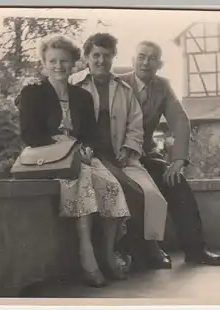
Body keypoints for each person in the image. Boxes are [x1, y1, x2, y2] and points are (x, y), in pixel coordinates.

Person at [16, 35, 131, 288]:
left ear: (73, 63)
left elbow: (91, 134)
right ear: (44, 63)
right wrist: (60, 143)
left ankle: (108, 254)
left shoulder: (81, 96)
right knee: (84, 179)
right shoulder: (32, 93)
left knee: (112, 186)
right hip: (49, 159)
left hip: (78, 155)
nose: (59, 66)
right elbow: (28, 134)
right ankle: (87, 256)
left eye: (64, 61)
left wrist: (87, 147)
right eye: (53, 61)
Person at [68, 33, 172, 270]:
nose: (101, 61)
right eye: (96, 55)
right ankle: (118, 249)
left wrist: (128, 148)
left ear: (114, 57)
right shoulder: (73, 83)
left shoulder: (124, 89)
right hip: (89, 157)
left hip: (120, 157)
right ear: (86, 57)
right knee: (122, 192)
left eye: (107, 56)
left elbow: (136, 126)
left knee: (151, 194)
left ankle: (150, 246)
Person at [116, 40, 220, 267]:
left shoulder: (162, 87)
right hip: (119, 156)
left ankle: (196, 250)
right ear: (132, 60)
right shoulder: (118, 83)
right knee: (136, 193)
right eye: (141, 56)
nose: (146, 62)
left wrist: (177, 160)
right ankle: (146, 251)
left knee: (177, 183)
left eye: (152, 58)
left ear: (160, 64)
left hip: (145, 156)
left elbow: (181, 122)